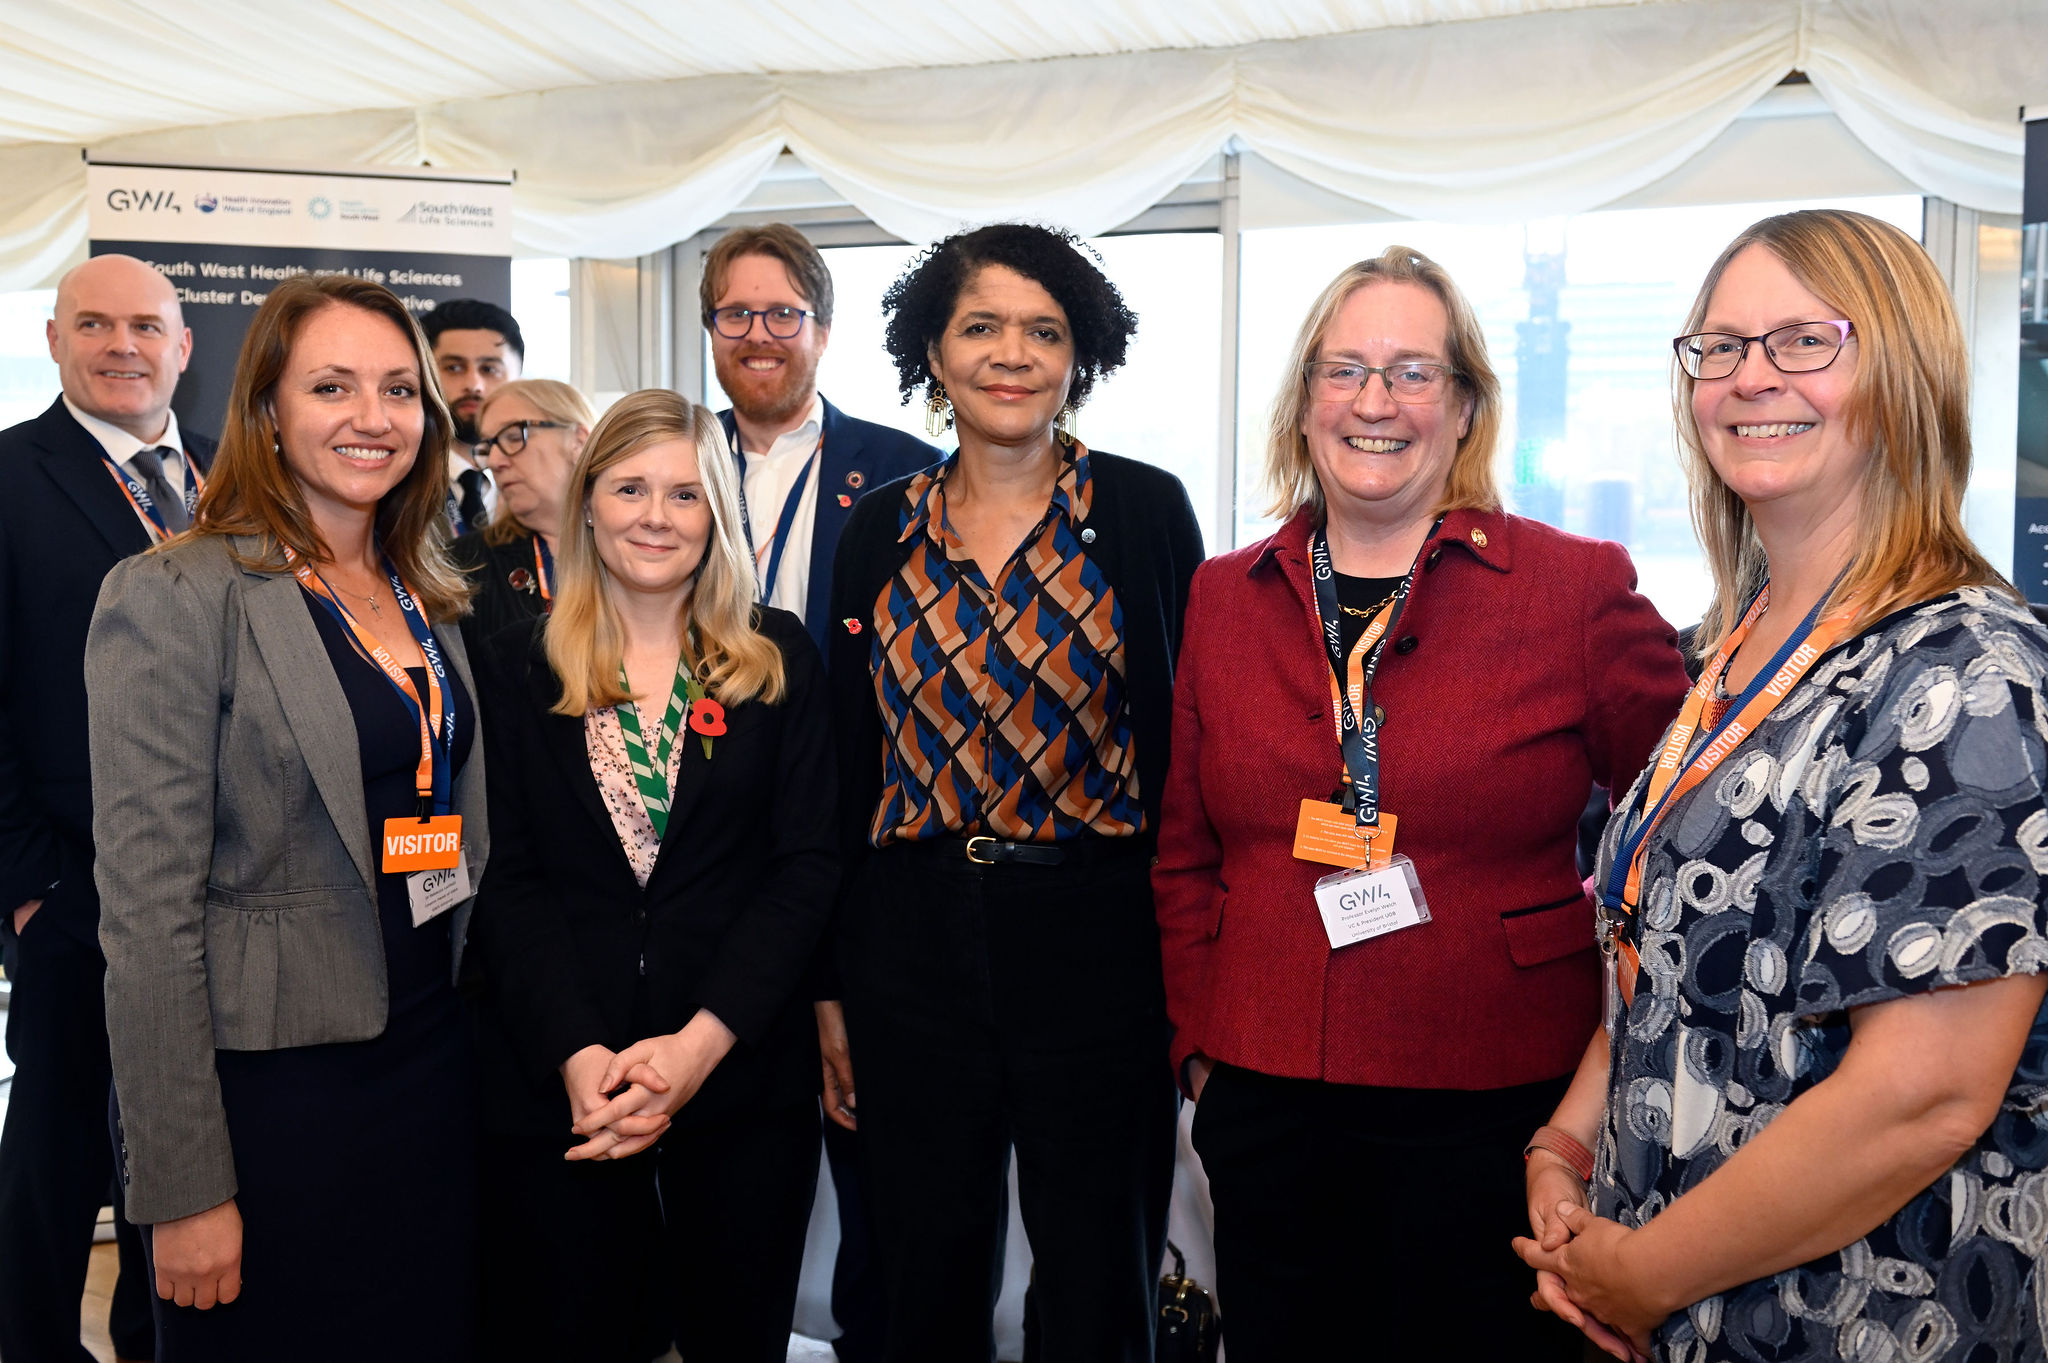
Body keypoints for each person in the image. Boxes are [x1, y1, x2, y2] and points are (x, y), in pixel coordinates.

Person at [1515, 210, 2048, 1362]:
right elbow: (1665, 946)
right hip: (1682, 1298)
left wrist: (1639, 1274)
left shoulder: (1963, 669)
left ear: (1900, 374)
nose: (1749, 377)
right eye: (1717, 346)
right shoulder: (1738, 644)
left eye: (1802, 341)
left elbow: (1924, 1097)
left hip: (1858, 1317)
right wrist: (1559, 1148)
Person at [1152, 245, 1690, 1361]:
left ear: (1463, 407)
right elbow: (1183, 852)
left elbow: (1685, 826)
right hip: (1263, 1089)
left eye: (1410, 372)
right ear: (1303, 403)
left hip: (1490, 1095)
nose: (1374, 402)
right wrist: (1200, 1045)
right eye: (1342, 370)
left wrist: (1601, 973)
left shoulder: (1572, 589)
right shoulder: (1223, 592)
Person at [85, 274, 488, 1362]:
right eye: (332, 386)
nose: (373, 416)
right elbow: (145, 923)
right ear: (267, 408)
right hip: (271, 1104)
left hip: (432, 1063)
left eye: (399, 389)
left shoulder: (426, 589)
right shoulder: (174, 593)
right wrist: (179, 1189)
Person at [828, 222, 1204, 1362]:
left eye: (1043, 331)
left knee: (1097, 1271)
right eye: (980, 326)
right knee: (921, 1264)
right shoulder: (877, 528)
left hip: (1095, 934)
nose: (1011, 353)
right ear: (932, 353)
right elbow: (847, 766)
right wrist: (830, 988)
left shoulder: (1142, 511)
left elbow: (1192, 745)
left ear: (1078, 354)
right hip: (911, 939)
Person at [470, 388, 837, 1362]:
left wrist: (696, 1048)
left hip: (736, 1075)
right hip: (566, 1082)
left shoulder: (775, 656)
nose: (654, 516)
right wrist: (580, 1056)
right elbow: (509, 880)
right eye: (630, 488)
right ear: (587, 501)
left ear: (717, 511)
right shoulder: (515, 663)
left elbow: (805, 870)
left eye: (684, 494)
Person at [701, 221, 937, 1362]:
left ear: (821, 330)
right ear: (708, 330)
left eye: (780, 313)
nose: (758, 334)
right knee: (721, 1156)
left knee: (872, 1145)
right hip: (697, 851)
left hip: (854, 844)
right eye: (735, 313)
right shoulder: (663, 464)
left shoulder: (899, 469)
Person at [0, 253, 214, 1363]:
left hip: (220, 887)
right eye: (95, 324)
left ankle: (155, 1341)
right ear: (53, 341)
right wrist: (29, 888)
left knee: (176, 1150)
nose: (121, 344)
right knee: (59, 1156)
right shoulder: (7, 476)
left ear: (184, 344)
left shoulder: (237, 478)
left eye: (144, 325)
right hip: (74, 889)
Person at [449, 377, 594, 643]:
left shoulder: (634, 548)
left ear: (579, 441)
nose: (494, 461)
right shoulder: (465, 565)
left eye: (514, 436)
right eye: (488, 447)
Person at [422, 297, 523, 532]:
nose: (474, 385)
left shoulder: (548, 486)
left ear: (518, 379)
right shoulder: (397, 481)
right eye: (454, 368)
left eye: (489, 369)